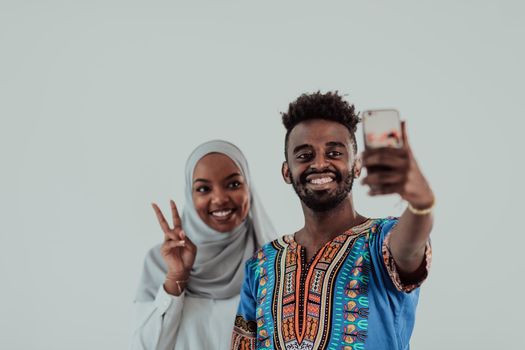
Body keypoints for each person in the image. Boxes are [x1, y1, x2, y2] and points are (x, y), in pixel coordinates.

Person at [231, 92, 434, 350]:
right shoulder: (261, 264)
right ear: (286, 171)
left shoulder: (382, 241)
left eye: (334, 153)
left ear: (357, 165)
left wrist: (421, 204)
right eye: (304, 155)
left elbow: (410, 247)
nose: (320, 163)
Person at [131, 140, 276, 350]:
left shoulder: (274, 262)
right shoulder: (160, 263)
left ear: (249, 188)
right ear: (190, 197)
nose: (219, 198)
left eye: (233, 184)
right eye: (203, 188)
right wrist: (176, 277)